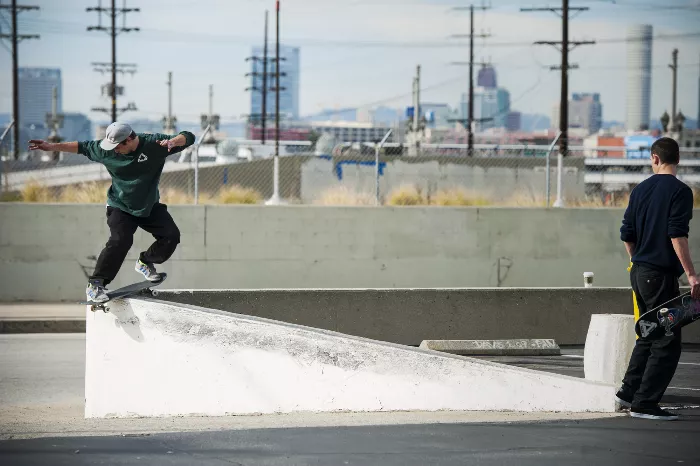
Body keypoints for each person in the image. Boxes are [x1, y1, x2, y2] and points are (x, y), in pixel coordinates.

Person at [28, 122, 196, 303]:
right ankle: (95, 285)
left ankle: (145, 261)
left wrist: (175, 141)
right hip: (120, 205)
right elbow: (81, 147)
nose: (114, 151)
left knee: (171, 235)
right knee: (120, 240)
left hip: (148, 205)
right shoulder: (104, 149)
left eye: (117, 147)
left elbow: (189, 136)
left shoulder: (154, 144)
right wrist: (51, 146)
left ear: (129, 140)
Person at [616, 136, 700, 421]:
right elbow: (677, 234)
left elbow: (627, 234)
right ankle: (644, 403)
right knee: (667, 339)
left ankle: (628, 392)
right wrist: (691, 273)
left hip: (638, 271)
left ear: (654, 158)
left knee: (649, 333)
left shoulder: (639, 190)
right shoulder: (681, 192)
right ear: (677, 159)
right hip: (660, 274)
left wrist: (637, 259)